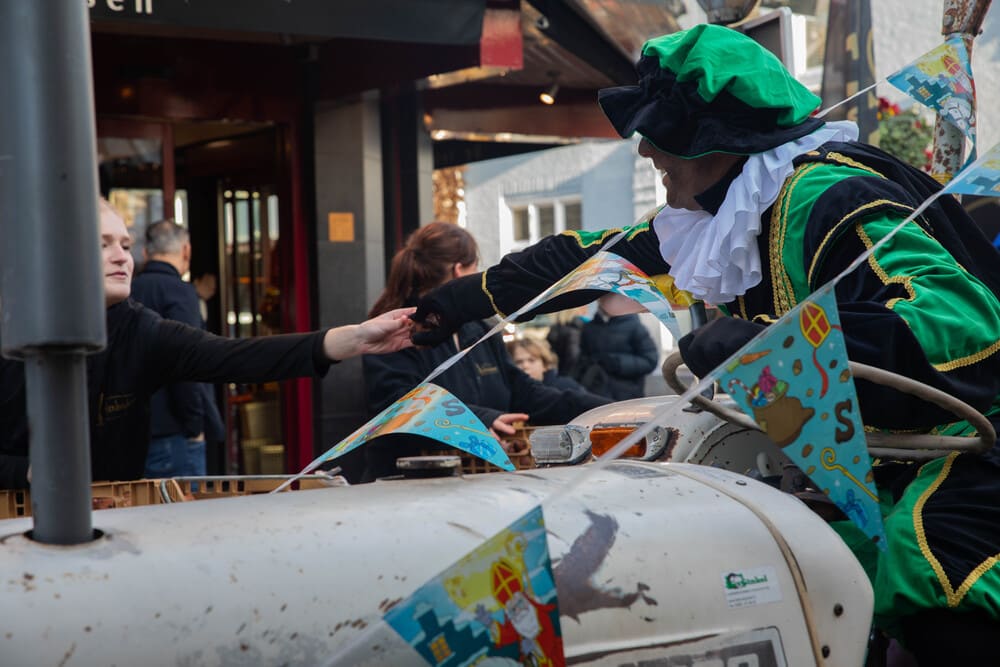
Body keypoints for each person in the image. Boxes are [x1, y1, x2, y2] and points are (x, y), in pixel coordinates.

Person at [409, 25, 1000, 662]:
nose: (645, 151)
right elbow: (584, 261)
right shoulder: (719, 218)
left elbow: (963, 324)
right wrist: (449, 307)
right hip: (853, 462)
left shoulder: (829, 196)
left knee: (936, 577)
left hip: (966, 452)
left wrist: (761, 340)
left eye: (658, 134)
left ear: (718, 141)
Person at [0, 198, 414, 490]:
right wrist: (30, 472)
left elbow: (234, 356)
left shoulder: (139, 329)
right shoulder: (11, 329)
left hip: (109, 526)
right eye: (102, 244)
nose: (121, 256)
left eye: (125, 245)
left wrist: (356, 338)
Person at [363, 222, 609, 479]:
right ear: (460, 271)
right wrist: (480, 419)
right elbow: (399, 404)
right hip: (406, 485)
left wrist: (605, 410)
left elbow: (523, 391)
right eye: (476, 268)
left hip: (476, 484)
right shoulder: (397, 329)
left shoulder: (478, 327)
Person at [131, 220, 222, 478]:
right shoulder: (180, 292)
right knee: (183, 504)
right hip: (174, 432)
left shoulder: (126, 291)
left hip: (132, 430)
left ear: (145, 253)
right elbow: (187, 363)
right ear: (186, 251)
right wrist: (195, 425)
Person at [576, 293, 659, 400]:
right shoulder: (589, 328)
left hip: (627, 395)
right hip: (595, 393)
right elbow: (581, 358)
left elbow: (650, 360)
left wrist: (618, 363)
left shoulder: (635, 327)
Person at [506, 337, 588, 392]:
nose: (525, 366)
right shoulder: (510, 392)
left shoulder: (567, 387)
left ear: (545, 364)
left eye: (531, 360)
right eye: (519, 362)